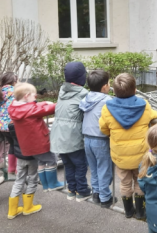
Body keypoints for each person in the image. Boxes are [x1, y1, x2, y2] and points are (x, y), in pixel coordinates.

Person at [99, 73, 157, 220]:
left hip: (120, 156)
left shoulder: (107, 109)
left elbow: (103, 128)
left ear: (114, 90)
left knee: (125, 183)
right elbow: (154, 117)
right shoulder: (144, 105)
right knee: (140, 182)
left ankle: (128, 211)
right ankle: (140, 212)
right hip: (141, 156)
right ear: (135, 90)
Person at [8, 82, 63, 214]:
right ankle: (52, 183)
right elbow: (47, 109)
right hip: (40, 143)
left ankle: (13, 210)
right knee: (51, 159)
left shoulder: (14, 108)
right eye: (34, 95)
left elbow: (35, 106)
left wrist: (43, 102)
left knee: (40, 163)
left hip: (27, 147)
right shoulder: (30, 110)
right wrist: (61, 103)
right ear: (26, 96)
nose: (36, 96)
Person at [50, 62, 90, 202]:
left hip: (59, 135)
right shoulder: (83, 94)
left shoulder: (63, 91)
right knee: (80, 165)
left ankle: (71, 189)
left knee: (68, 164)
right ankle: (82, 190)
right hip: (72, 136)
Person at [79, 70, 114, 207]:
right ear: (105, 86)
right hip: (101, 139)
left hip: (87, 138)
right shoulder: (107, 101)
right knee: (104, 169)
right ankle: (105, 198)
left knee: (93, 168)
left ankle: (96, 193)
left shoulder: (86, 98)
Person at [6, 122, 40, 218]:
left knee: (19, 180)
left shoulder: (12, 125)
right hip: (31, 157)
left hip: (20, 157)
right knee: (32, 179)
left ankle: (12, 211)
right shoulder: (30, 124)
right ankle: (28, 207)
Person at [0, 72, 19, 179]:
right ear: (14, 81)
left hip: (1, 126)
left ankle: (11, 168)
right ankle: (19, 169)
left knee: (13, 145)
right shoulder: (15, 91)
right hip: (12, 123)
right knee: (19, 145)